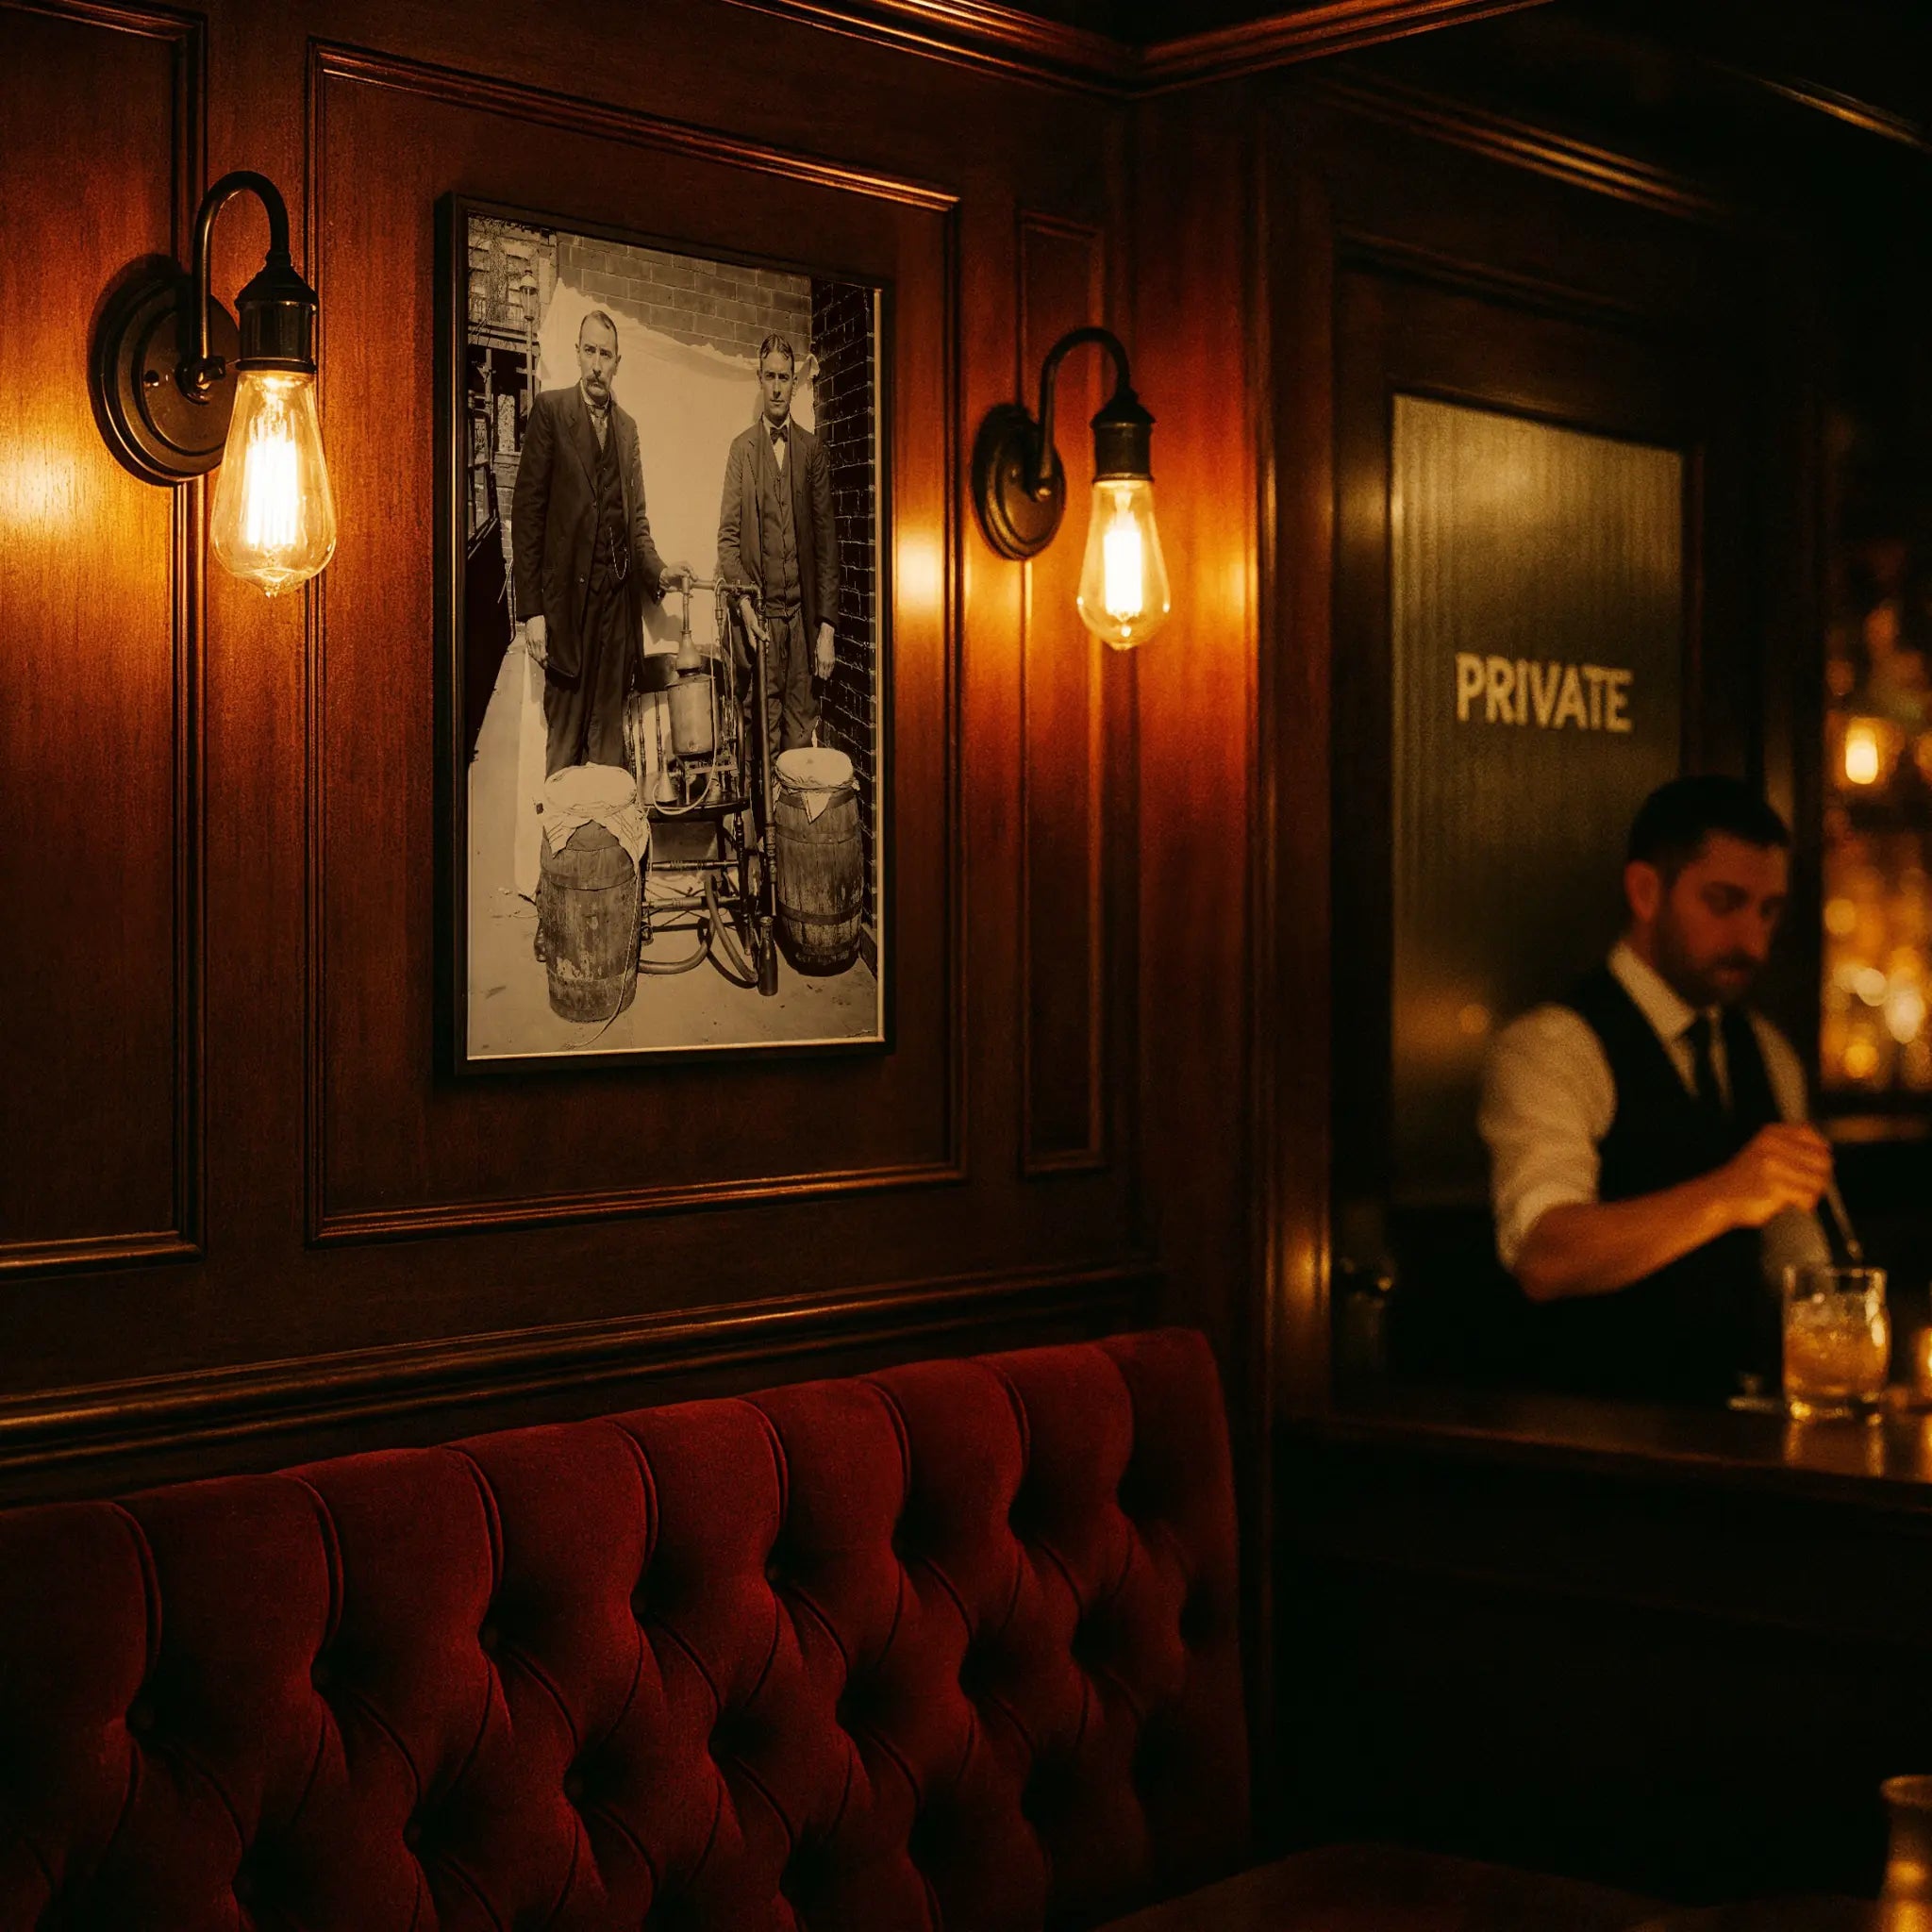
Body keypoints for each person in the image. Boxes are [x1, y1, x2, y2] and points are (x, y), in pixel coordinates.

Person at [1478, 774, 1836, 1403]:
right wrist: (1727, 1194)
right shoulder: (1554, 1046)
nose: (1752, 942)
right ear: (1646, 892)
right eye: (1723, 903)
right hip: (1598, 1448)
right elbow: (1543, 1257)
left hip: (1740, 1437)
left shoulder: (1770, 1054)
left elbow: (1798, 1264)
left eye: (1768, 911)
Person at [512, 309, 691, 775]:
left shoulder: (628, 430)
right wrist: (532, 611)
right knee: (565, 751)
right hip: (567, 613)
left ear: (617, 364)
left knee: (609, 755)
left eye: (605, 354)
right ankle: (563, 847)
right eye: (589, 351)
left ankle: (605, 848)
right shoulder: (551, 413)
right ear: (576, 354)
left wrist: (660, 571)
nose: (596, 364)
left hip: (616, 615)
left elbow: (638, 525)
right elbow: (527, 516)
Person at [715, 333, 839, 755]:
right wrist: (746, 609)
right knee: (761, 743)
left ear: (794, 383)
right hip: (762, 626)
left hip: (802, 625)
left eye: (785, 377)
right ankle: (759, 821)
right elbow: (727, 542)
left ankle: (791, 825)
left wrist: (827, 627)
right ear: (759, 379)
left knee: (800, 740)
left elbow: (826, 545)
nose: (777, 386)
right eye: (769, 376)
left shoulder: (812, 451)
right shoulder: (741, 451)